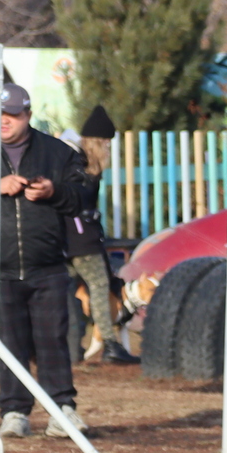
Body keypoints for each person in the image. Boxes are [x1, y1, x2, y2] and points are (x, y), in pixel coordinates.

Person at [0, 82, 87, 436]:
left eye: (13, 114)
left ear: (28, 115)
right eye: (0, 114)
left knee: (53, 338)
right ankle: (13, 412)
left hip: (48, 264)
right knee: (8, 340)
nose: (5, 121)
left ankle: (62, 409)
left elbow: (83, 194)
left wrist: (54, 191)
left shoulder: (57, 152)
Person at [70, 105, 135, 364]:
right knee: (98, 286)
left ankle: (72, 345)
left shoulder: (76, 162)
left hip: (75, 239)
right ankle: (109, 343)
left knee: (71, 292)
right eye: (105, 143)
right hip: (80, 240)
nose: (108, 149)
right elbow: (77, 205)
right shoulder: (80, 165)